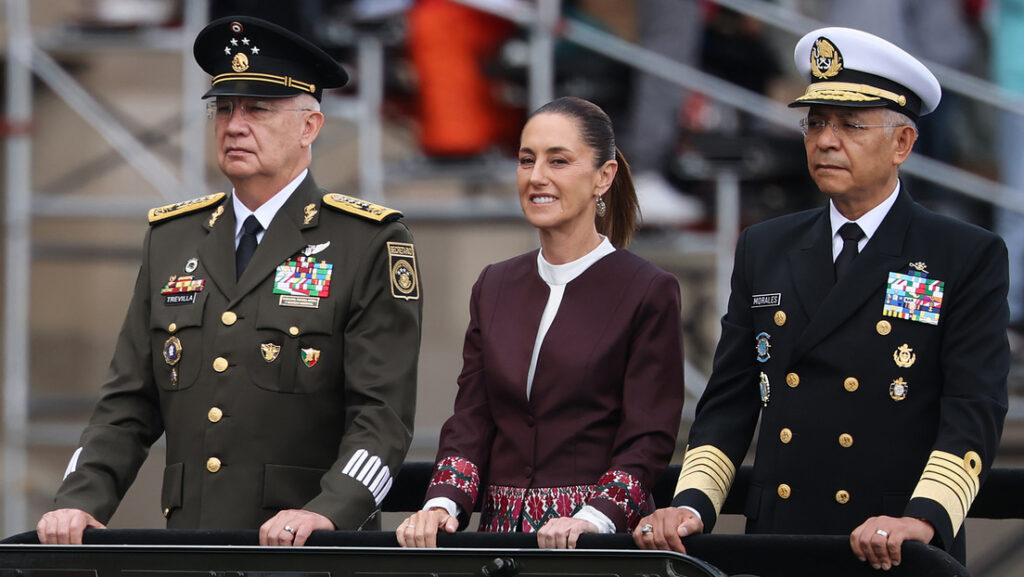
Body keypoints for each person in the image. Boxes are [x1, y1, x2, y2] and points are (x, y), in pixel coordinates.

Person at [36, 16, 422, 547]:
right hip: (193, 542)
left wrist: (331, 512)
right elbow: (126, 404)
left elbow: (383, 419)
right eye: (224, 108)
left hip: (307, 549)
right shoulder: (172, 238)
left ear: (309, 127)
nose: (234, 125)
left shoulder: (366, 241)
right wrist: (80, 500)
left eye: (258, 109)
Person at [634, 27, 1008, 571]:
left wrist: (924, 518)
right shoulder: (765, 244)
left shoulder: (963, 254)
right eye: (815, 123)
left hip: (892, 544)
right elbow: (730, 398)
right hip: (781, 537)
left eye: (851, 125)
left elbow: (974, 407)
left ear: (902, 144)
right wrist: (692, 503)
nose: (826, 140)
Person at [397, 96, 685, 549]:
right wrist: (442, 504)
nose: (537, 177)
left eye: (559, 161)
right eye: (526, 160)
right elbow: (472, 417)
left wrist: (593, 519)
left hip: (594, 545)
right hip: (499, 542)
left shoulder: (647, 288)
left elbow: (647, 436)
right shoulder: (494, 283)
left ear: (603, 177)